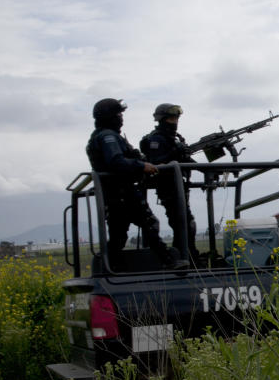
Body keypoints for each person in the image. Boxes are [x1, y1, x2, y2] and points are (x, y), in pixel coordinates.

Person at [86, 98, 187, 271]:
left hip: (114, 192)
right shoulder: (108, 137)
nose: (121, 118)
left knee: (119, 234)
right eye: (118, 114)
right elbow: (116, 161)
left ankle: (109, 267)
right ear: (110, 116)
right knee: (149, 223)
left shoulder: (102, 136)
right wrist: (142, 166)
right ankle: (169, 262)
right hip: (122, 191)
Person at [139, 103, 203, 265]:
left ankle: (187, 256)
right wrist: (175, 153)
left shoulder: (172, 139)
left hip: (178, 187)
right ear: (162, 119)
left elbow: (186, 160)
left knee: (185, 224)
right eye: (171, 118)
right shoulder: (156, 139)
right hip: (167, 188)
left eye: (176, 118)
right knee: (184, 224)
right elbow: (156, 163)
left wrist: (207, 171)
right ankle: (186, 258)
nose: (175, 122)